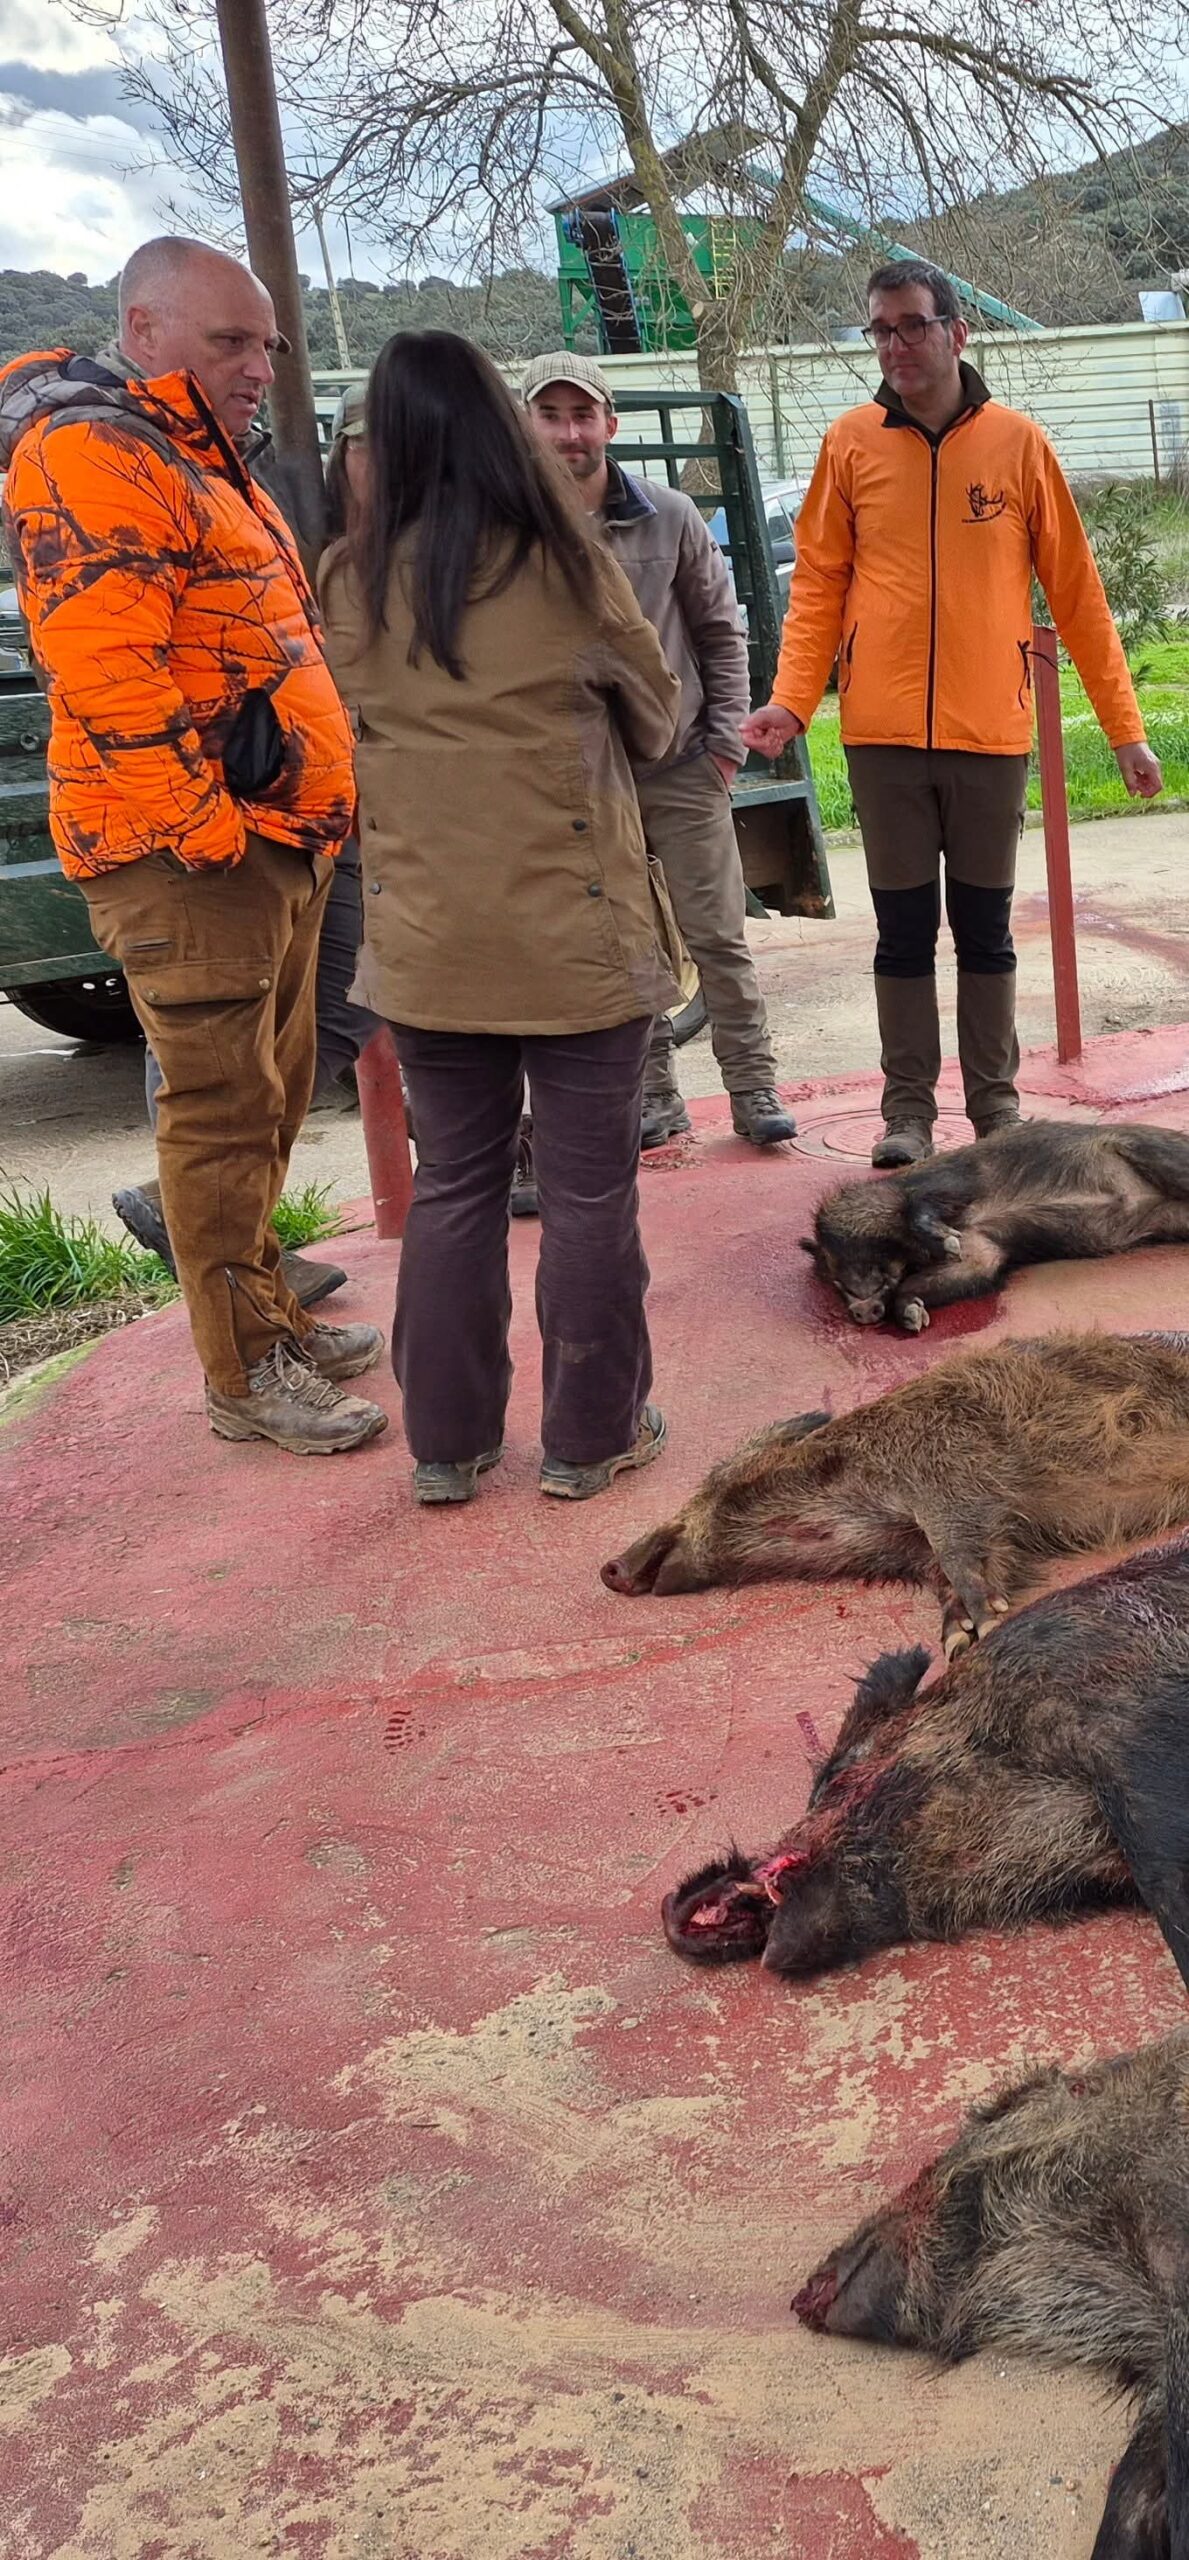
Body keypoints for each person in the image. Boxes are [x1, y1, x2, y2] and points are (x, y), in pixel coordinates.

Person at [0, 236, 388, 1452]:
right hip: (196, 857)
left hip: (270, 838)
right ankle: (246, 1374)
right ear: (144, 329)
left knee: (265, 1100)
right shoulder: (92, 452)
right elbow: (106, 670)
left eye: (266, 343)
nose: (259, 365)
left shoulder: (199, 455)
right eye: (231, 341)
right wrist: (207, 836)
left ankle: (268, 1317)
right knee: (221, 1114)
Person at [319, 329, 682, 1505]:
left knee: (454, 1186)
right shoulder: (566, 567)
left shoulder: (347, 580)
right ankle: (589, 1437)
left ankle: (447, 1443)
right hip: (575, 938)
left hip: (428, 946)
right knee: (587, 1196)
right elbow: (659, 720)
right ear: (498, 427)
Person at [742, 259, 1163, 1168]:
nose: (893, 344)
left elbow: (1077, 595)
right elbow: (816, 588)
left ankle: (995, 1111)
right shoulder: (849, 444)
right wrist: (791, 699)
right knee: (901, 933)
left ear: (955, 332)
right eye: (879, 329)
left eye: (910, 325)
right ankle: (905, 1115)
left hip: (989, 735)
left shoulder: (1017, 445)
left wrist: (1124, 730)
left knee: (983, 930)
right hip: (881, 737)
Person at [111, 378, 383, 1299]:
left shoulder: (275, 496)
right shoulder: (267, 507)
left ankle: (230, 1229)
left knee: (335, 1014)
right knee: (221, 1055)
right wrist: (205, 830)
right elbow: (122, 667)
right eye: (363, 444)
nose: (381, 465)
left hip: (335, 810)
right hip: (247, 819)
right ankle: (221, 1246)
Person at [523, 351, 796, 1159]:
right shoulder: (510, 529)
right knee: (623, 943)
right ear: (524, 425)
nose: (569, 434)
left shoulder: (669, 516)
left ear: (609, 424)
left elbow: (720, 633)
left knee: (716, 934)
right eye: (550, 416)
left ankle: (753, 1089)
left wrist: (722, 749)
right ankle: (655, 1097)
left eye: (582, 416)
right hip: (577, 782)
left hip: (679, 765)